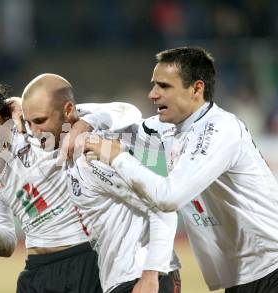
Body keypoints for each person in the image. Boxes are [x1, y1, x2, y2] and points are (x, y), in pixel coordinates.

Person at [84, 46, 278, 292]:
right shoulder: (170, 127)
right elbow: (121, 119)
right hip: (245, 276)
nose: (152, 94)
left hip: (271, 268)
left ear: (197, 88)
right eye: (154, 84)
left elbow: (169, 197)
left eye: (164, 86)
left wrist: (118, 158)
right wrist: (81, 121)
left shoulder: (220, 130)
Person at [0, 68, 122, 293]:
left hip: (85, 258)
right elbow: (6, 245)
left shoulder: (38, 124)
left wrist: (84, 124)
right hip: (37, 273)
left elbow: (125, 111)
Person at [21, 73, 181, 293]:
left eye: (40, 121)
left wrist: (151, 275)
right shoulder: (70, 142)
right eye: (29, 122)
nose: (34, 131)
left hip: (141, 278)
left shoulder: (94, 154)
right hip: (118, 280)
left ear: (68, 111)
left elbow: (162, 205)